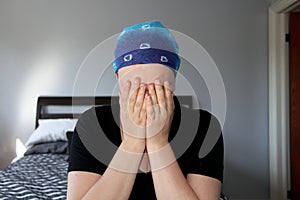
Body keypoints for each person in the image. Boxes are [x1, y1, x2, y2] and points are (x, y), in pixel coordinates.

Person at [67, 20, 224, 200]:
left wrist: (159, 143)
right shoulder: (92, 123)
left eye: (157, 85)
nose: (146, 95)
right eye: (135, 84)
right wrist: (132, 143)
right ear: (118, 79)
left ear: (173, 82)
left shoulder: (204, 127)